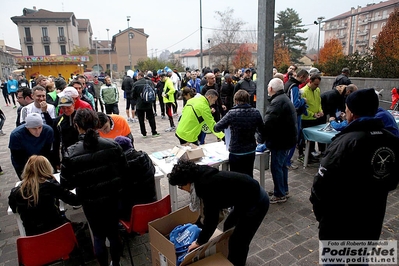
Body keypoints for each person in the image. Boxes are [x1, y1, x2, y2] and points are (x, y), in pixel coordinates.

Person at [310, 88, 399, 244]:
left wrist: (322, 217)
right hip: (371, 220)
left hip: (339, 223)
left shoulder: (343, 143)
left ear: (351, 112)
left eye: (346, 109)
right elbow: (392, 181)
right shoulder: (392, 140)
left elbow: (321, 186)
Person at [168, 160, 269, 266]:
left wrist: (199, 242)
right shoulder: (198, 175)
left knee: (239, 241)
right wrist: (195, 227)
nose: (182, 189)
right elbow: (206, 213)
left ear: (187, 181)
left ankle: (235, 262)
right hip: (244, 198)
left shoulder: (206, 185)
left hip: (256, 202)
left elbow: (211, 219)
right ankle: (229, 256)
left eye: (180, 186)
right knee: (229, 225)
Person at [60, 108, 128, 266]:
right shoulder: (112, 145)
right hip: (112, 199)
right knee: (113, 233)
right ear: (97, 124)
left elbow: (66, 183)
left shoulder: (71, 153)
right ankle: (116, 263)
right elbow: (124, 172)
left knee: (98, 236)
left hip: (90, 203)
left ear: (76, 126)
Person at [8, 155, 79, 236]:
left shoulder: (16, 192)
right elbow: (74, 200)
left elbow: (14, 209)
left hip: (33, 237)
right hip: (57, 231)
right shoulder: (50, 186)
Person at [261, 78, 297, 204]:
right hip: (287, 139)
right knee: (282, 166)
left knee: (277, 167)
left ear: (270, 89)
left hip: (280, 140)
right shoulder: (284, 98)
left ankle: (280, 194)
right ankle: (282, 189)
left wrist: (261, 139)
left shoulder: (277, 102)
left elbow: (268, 123)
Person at [214, 90, 263, 177]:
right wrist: (259, 141)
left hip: (236, 151)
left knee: (236, 178)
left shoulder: (231, 114)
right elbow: (263, 131)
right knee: (249, 175)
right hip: (250, 150)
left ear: (236, 101)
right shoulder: (256, 112)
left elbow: (216, 128)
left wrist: (228, 125)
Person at [114, 136, 157, 221]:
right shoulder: (144, 156)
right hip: (152, 206)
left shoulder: (119, 166)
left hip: (131, 214)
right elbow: (153, 171)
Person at [9, 113, 54, 180]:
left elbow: (48, 152)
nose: (37, 131)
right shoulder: (16, 135)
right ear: (27, 128)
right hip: (24, 161)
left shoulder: (48, 131)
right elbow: (17, 158)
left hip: (41, 159)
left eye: (40, 127)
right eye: (34, 129)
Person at [284, 69, 308, 164]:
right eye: (305, 79)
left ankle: (286, 160)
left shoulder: (289, 83)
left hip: (291, 116)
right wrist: (303, 101)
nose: (305, 81)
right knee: (294, 138)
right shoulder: (294, 86)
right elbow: (295, 104)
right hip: (294, 117)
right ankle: (287, 161)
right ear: (301, 76)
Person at [299, 74, 324, 160]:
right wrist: (312, 114)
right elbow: (303, 107)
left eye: (318, 84)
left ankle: (310, 153)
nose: (317, 86)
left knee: (313, 138)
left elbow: (318, 102)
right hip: (305, 119)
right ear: (310, 82)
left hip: (315, 118)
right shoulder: (303, 91)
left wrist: (320, 111)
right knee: (303, 138)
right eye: (315, 84)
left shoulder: (317, 90)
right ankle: (301, 154)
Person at [52, 95, 80, 170]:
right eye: (63, 108)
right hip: (66, 153)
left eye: (68, 107)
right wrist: (57, 161)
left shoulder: (82, 117)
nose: (66, 110)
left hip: (81, 152)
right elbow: (56, 142)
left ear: (73, 104)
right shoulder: (58, 121)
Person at [132, 72, 159, 138]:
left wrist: (137, 99)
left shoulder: (135, 84)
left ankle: (144, 133)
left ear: (139, 76)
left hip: (139, 104)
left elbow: (133, 95)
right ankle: (154, 131)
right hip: (148, 103)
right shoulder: (149, 82)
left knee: (141, 119)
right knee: (151, 118)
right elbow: (153, 91)